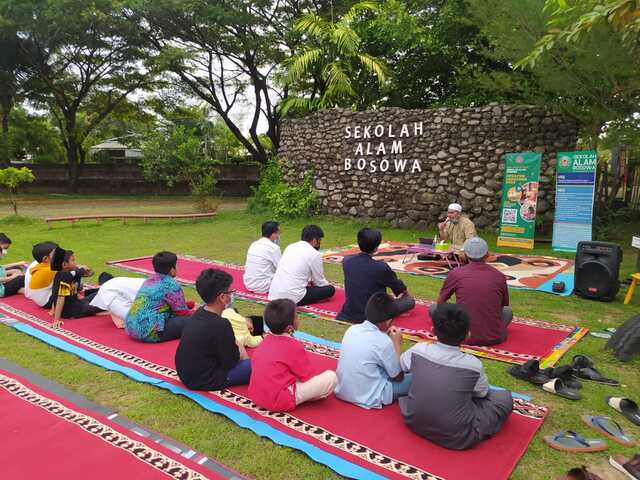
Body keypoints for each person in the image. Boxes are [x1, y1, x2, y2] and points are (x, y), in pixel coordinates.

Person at [399, 304, 513, 450]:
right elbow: (482, 394)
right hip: (457, 436)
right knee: (504, 398)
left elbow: (401, 366)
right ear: (467, 335)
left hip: (414, 420)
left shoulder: (418, 350)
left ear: (433, 331)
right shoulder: (472, 364)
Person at [249, 298, 337, 411]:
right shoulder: (293, 345)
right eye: (296, 315)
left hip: (257, 395)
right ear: (289, 328)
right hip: (280, 399)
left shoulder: (264, 340)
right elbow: (307, 376)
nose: (298, 318)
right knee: (331, 377)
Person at [175, 269, 251, 391]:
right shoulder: (221, 324)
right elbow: (231, 362)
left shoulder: (198, 313)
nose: (232, 295)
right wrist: (240, 348)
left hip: (185, 374)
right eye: (230, 292)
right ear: (222, 297)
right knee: (254, 366)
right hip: (205, 380)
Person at [431, 237, 512, 345]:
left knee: (433, 308)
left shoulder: (456, 273)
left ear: (465, 254)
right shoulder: (499, 276)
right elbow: (503, 305)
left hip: (461, 335)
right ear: (487, 254)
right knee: (507, 312)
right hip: (495, 337)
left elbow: (440, 302)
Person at [335, 292, 411, 409]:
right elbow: (398, 376)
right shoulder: (384, 342)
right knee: (418, 377)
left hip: (343, 390)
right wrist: (396, 343)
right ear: (388, 321)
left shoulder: (352, 329)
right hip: (370, 396)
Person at [337, 228, 415, 323]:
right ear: (376, 248)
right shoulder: (381, 267)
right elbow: (400, 290)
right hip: (373, 314)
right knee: (409, 301)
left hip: (350, 312)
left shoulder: (346, 261)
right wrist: (406, 296)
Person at [125, 251, 193, 343]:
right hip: (150, 333)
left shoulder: (149, 280)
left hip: (131, 328)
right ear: (172, 269)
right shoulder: (171, 284)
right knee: (196, 320)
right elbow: (182, 313)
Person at [268, 225, 335, 306]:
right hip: (293, 297)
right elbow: (320, 282)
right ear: (314, 240)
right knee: (330, 289)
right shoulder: (314, 254)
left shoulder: (290, 246)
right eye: (319, 240)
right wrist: (328, 285)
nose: (319, 243)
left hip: (274, 294)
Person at [50, 248, 105, 328]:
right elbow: (60, 298)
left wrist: (84, 268)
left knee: (102, 291)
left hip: (78, 303)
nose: (75, 262)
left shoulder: (73, 272)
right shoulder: (64, 277)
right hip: (72, 311)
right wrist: (56, 320)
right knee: (102, 304)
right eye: (73, 260)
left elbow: (90, 273)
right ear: (65, 265)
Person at [243, 221, 282, 293]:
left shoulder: (254, 244)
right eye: (278, 233)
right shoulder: (274, 248)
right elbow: (281, 268)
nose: (279, 235)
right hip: (264, 286)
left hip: (248, 284)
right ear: (273, 234)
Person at [25, 241, 58, 308]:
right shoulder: (49, 269)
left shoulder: (42, 265)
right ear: (45, 258)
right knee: (67, 279)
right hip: (47, 301)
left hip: (40, 299)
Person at [0, 233, 28, 298]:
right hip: (1, 289)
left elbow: (1, 268)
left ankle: (20, 289)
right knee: (23, 278)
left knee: (17, 271)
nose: (4, 252)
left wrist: (14, 272)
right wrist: (12, 278)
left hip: (2, 283)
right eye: (5, 248)